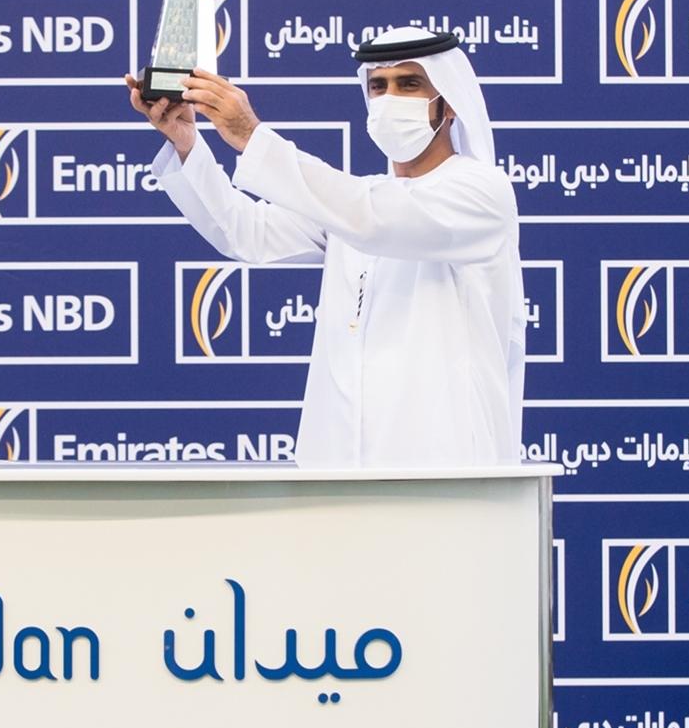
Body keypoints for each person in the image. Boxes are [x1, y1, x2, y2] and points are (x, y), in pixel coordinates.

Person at [127, 26, 525, 466]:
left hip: (446, 469)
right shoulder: (357, 202)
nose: (390, 97)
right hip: (341, 468)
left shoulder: (480, 191)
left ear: (448, 102)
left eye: (409, 84)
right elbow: (246, 231)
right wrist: (187, 143)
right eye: (378, 86)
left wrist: (251, 136)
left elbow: (374, 217)